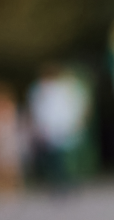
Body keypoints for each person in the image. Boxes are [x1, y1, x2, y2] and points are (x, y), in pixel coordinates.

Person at [28, 65, 89, 194]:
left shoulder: (65, 88)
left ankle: (67, 181)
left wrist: (76, 121)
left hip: (64, 125)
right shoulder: (38, 90)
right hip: (49, 127)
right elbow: (38, 109)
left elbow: (75, 105)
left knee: (65, 156)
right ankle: (57, 182)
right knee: (54, 157)